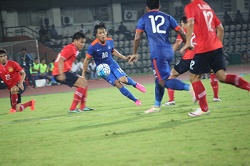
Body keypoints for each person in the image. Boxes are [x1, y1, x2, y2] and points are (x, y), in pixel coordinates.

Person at [180, 0, 250, 116]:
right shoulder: (207, 6)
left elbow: (191, 23)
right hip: (216, 46)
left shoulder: (190, 7)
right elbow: (220, 28)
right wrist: (217, 46)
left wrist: (188, 42)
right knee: (222, 76)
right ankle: (248, 86)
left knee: (194, 77)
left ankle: (204, 108)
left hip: (204, 48)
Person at [129, 0, 194, 113]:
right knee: (158, 79)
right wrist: (188, 44)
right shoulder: (168, 17)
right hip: (168, 51)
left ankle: (189, 88)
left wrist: (135, 53)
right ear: (159, 6)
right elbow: (182, 33)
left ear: (147, 8)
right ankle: (156, 105)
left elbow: (137, 37)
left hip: (157, 53)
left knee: (163, 81)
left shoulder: (143, 19)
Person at [82, 23, 146, 106]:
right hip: (103, 70)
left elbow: (112, 51)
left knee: (123, 80)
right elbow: (86, 60)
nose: (102, 35)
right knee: (118, 84)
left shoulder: (110, 41)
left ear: (106, 32)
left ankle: (135, 84)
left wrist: (124, 58)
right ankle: (135, 100)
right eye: (100, 33)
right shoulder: (93, 46)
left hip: (112, 64)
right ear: (96, 35)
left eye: (104, 32)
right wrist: (83, 74)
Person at [165, 16, 221, 106]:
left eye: (182, 24)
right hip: (200, 57)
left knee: (171, 75)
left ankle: (171, 100)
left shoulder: (183, 31)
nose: (181, 26)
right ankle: (215, 97)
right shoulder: (200, 30)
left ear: (185, 23)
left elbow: (178, 43)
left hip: (188, 58)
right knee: (211, 72)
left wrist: (168, 55)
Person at [52, 31, 93, 113]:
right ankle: (73, 108)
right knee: (82, 83)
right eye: (81, 42)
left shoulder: (74, 49)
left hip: (64, 71)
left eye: (84, 42)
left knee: (84, 82)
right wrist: (61, 73)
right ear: (75, 41)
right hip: (60, 72)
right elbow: (60, 61)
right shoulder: (70, 48)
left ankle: (82, 107)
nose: (83, 44)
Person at [0, 49, 35, 113]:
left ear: (6, 56)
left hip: (20, 84)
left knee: (13, 90)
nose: (3, 58)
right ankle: (30, 103)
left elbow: (23, 73)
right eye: (1, 56)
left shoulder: (13, 64)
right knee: (18, 109)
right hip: (12, 90)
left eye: (4, 56)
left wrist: (21, 83)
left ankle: (12, 109)